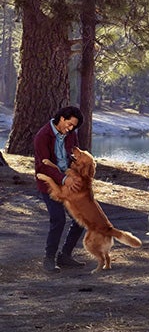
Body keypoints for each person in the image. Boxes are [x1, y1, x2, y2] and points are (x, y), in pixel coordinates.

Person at [33, 106, 86, 273]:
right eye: (69, 124)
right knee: (58, 219)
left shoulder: (71, 134)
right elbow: (43, 166)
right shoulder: (42, 136)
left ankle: (65, 256)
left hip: (68, 182)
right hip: (49, 184)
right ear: (62, 118)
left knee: (80, 219)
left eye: (74, 127)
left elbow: (74, 156)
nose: (70, 129)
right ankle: (49, 258)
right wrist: (63, 178)